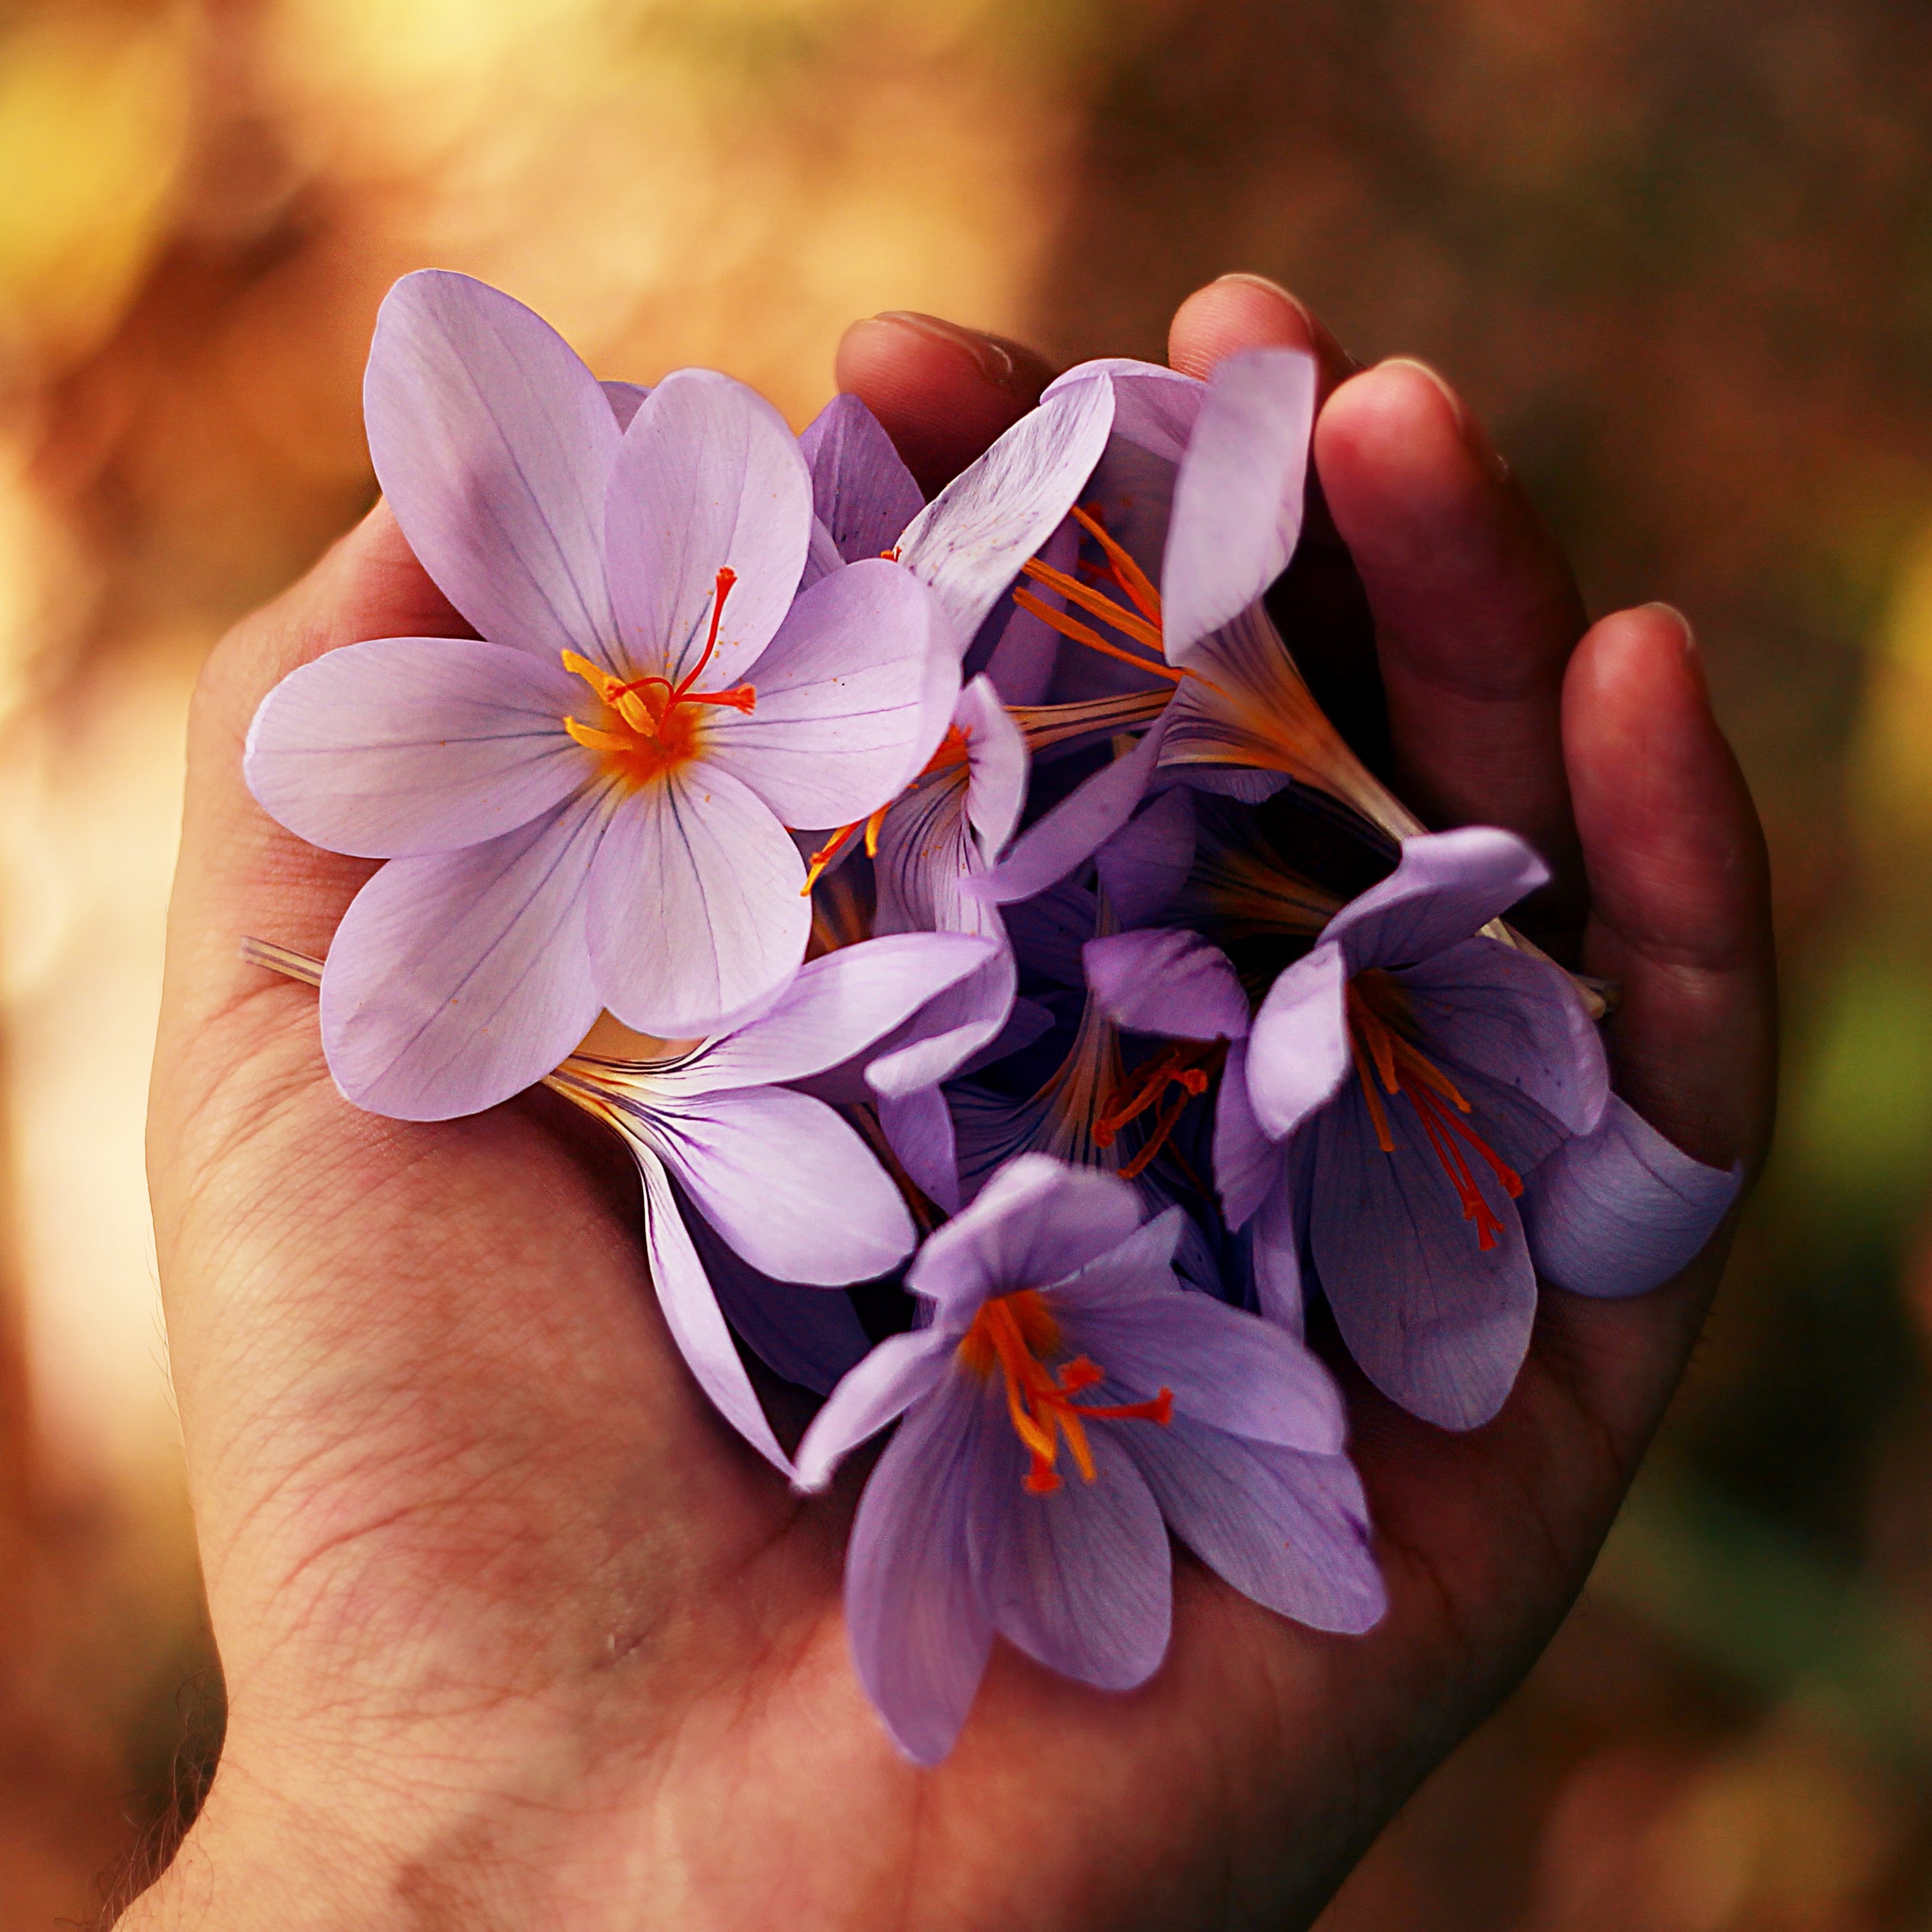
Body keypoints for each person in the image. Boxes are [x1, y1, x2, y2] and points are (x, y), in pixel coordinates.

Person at [124, 274, 1775, 1929]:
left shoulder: (878, 776)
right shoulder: (630, 901)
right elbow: (479, 996)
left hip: (935, 851)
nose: (627, 709)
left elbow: (883, 731)